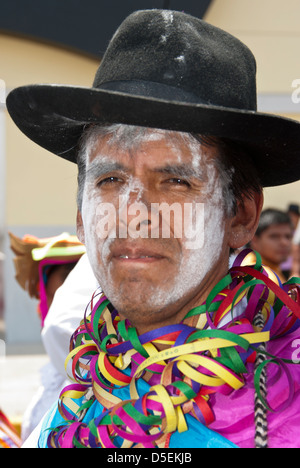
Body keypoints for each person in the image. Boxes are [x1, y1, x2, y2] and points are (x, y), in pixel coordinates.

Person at [6, 10, 300, 449]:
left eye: (176, 180)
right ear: (82, 218)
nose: (133, 213)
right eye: (110, 180)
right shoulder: (66, 414)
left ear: (240, 215)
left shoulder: (286, 396)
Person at [9, 232, 89, 439]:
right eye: (47, 298)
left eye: (59, 300)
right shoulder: (56, 370)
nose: (40, 308)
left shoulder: (95, 373)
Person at [250, 209, 294, 283]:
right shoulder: (257, 276)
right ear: (254, 240)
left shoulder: (272, 269)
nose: (285, 243)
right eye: (274, 236)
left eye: (288, 236)